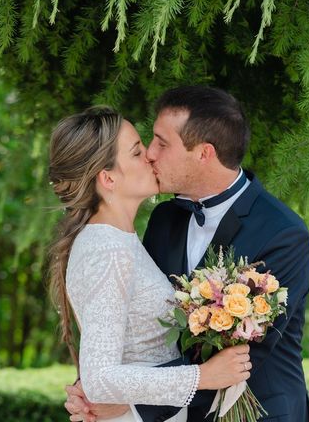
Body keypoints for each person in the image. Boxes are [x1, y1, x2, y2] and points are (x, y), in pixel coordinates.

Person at [65, 87, 309, 422]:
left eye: (161, 143)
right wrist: (102, 386)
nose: (151, 154)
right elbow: (143, 321)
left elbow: (244, 354)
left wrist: (131, 403)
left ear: (204, 153)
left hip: (258, 414)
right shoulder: (164, 218)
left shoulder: (283, 233)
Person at [48, 106, 252, 422]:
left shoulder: (121, 240)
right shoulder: (107, 249)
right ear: (108, 177)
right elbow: (100, 379)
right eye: (136, 152)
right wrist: (203, 376)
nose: (150, 157)